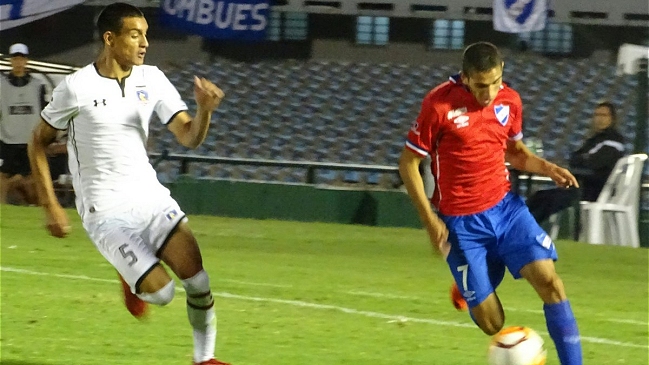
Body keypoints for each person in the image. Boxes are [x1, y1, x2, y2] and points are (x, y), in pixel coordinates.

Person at [27, 3, 228, 365]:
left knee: (198, 280)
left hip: (150, 198)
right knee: (163, 294)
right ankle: (129, 276)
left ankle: (204, 359)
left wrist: (205, 111)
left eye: (146, 35)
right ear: (110, 38)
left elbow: (187, 136)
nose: (144, 43)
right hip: (104, 211)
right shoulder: (76, 87)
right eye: (135, 35)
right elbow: (37, 142)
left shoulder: (152, 79)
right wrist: (50, 205)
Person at [398, 42, 582, 365]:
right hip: (460, 224)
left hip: (506, 210)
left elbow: (514, 152)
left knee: (551, 283)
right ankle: (472, 285)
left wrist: (549, 168)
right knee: (492, 323)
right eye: (481, 85)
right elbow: (409, 163)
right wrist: (430, 220)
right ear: (466, 78)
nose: (490, 92)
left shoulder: (510, 100)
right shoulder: (438, 104)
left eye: (496, 82)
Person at [526, 101, 625, 223]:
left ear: (612, 118)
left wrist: (582, 159)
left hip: (593, 190)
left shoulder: (613, 141)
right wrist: (582, 159)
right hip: (582, 186)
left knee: (551, 199)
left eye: (603, 115)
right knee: (539, 196)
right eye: (597, 115)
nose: (599, 119)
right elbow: (576, 158)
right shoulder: (596, 139)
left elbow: (593, 163)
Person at [0, 43, 47, 205]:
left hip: (30, 139)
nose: (18, 62)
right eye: (15, 58)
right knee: (3, 175)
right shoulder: (1, 84)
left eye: (21, 58)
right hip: (7, 138)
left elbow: (44, 112)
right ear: (11, 61)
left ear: (26, 61)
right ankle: (2, 209)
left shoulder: (38, 85)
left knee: (32, 177)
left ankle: (34, 206)